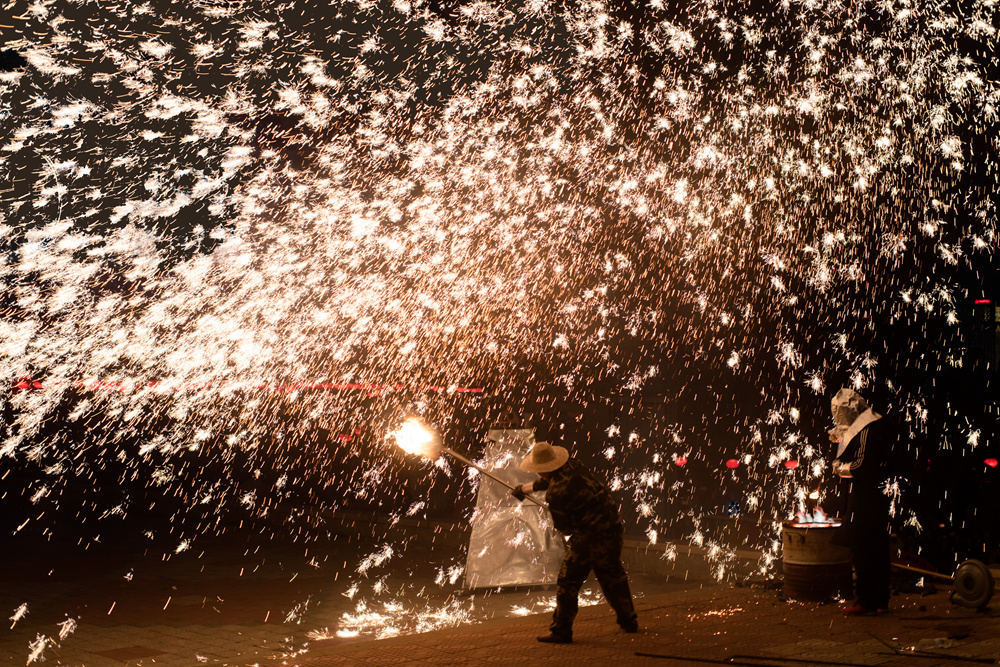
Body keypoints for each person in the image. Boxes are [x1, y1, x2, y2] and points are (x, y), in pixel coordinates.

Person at [511, 441, 638, 643]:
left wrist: (564, 512)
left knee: (568, 580)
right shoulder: (573, 464)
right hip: (612, 525)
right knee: (612, 575)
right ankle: (629, 620)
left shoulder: (557, 493)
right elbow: (551, 480)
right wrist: (526, 489)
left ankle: (561, 630)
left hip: (591, 535)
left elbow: (565, 528)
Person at [828, 387, 893, 615]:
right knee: (876, 547)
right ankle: (879, 601)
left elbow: (863, 466)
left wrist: (841, 468)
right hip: (876, 496)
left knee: (863, 547)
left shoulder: (867, 430)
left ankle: (866, 601)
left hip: (866, 497)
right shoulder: (875, 426)